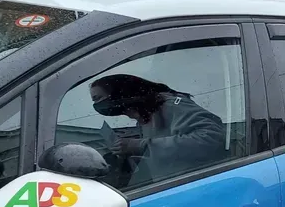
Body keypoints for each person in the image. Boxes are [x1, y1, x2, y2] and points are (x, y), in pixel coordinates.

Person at [89, 74, 226, 185]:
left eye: (98, 98)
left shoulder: (171, 106)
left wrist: (141, 146)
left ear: (118, 93)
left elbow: (212, 137)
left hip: (198, 186)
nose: (97, 105)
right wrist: (128, 153)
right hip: (172, 188)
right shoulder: (146, 116)